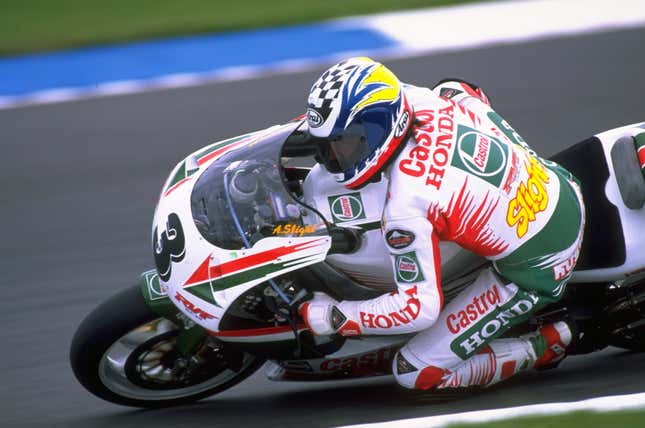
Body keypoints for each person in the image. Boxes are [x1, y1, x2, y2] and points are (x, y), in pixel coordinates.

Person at [298, 57, 585, 390]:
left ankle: (542, 346)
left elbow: (418, 308)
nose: (332, 157)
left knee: (414, 372)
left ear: (376, 128)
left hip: (542, 259)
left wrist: (338, 317)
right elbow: (466, 89)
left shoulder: (406, 204)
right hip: (551, 179)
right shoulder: (411, 98)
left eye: (343, 144)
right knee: (455, 92)